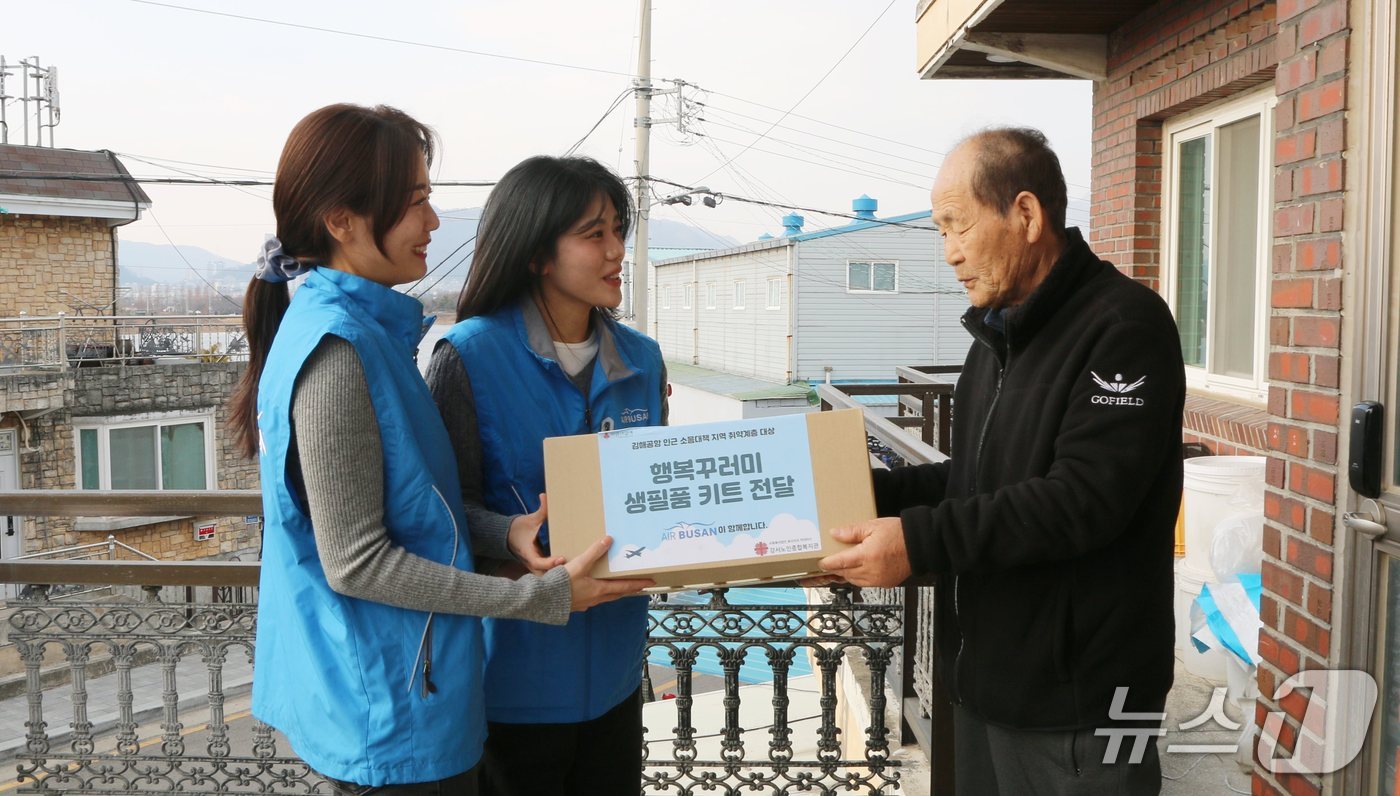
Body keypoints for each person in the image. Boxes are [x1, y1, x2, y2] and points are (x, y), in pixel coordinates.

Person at [230, 105, 650, 795]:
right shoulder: (339, 353)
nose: (433, 223)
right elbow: (358, 561)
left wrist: (505, 531)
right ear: (342, 220)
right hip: (389, 707)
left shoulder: (370, 338)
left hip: (417, 691)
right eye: (417, 202)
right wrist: (545, 597)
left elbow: (420, 514)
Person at [816, 127, 1185, 795]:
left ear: (1026, 214)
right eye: (940, 232)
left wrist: (918, 540)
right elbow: (974, 482)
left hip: (1083, 703)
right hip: (984, 683)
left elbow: (1081, 500)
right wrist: (858, 498)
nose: (950, 253)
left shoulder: (1124, 327)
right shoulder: (997, 336)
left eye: (957, 226)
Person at [426, 155, 667, 796]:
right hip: (512, 675)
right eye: (595, 234)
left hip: (618, 666)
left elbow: (659, 492)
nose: (617, 250)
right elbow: (443, 513)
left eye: (619, 228)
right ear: (537, 253)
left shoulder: (642, 360)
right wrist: (509, 531)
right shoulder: (467, 357)